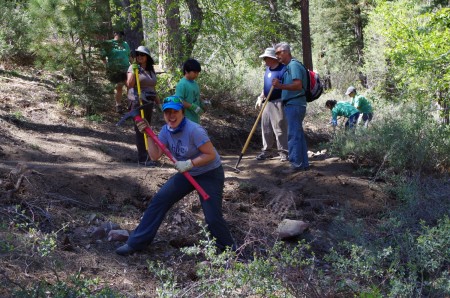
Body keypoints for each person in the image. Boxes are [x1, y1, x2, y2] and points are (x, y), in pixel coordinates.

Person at [115, 95, 236, 256]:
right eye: (167, 113)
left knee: (212, 217)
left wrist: (189, 163)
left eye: (175, 112)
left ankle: (230, 250)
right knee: (159, 201)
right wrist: (148, 134)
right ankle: (136, 243)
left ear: (182, 112)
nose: (171, 116)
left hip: (209, 173)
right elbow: (154, 156)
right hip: (187, 173)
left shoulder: (194, 130)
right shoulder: (166, 131)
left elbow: (210, 155)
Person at [271, 42, 310, 173]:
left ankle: (295, 164)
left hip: (295, 104)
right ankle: (303, 164)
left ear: (286, 52)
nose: (277, 56)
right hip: (294, 104)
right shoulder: (290, 67)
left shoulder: (293, 65)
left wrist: (280, 86)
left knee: (293, 135)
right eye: (275, 54)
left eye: (278, 53)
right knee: (297, 134)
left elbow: (298, 85)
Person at [126, 45, 161, 166]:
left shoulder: (151, 70)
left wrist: (159, 102)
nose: (140, 57)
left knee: (148, 128)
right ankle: (143, 158)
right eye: (138, 55)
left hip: (149, 101)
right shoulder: (133, 68)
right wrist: (134, 71)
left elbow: (153, 87)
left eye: (142, 55)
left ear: (147, 57)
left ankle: (150, 155)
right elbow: (129, 85)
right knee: (141, 128)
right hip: (136, 101)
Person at [254, 47, 288, 162]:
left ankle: (284, 152)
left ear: (273, 58)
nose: (264, 60)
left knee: (279, 128)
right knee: (266, 127)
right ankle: (266, 151)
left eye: (266, 58)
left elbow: (287, 85)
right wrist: (260, 97)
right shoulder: (268, 69)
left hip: (278, 101)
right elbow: (266, 86)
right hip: (267, 102)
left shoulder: (283, 69)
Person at [100, 31, 131, 113]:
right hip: (115, 69)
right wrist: (107, 66)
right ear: (115, 34)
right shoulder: (109, 43)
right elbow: (102, 56)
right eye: (119, 35)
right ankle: (118, 105)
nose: (120, 36)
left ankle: (130, 105)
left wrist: (133, 65)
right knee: (119, 87)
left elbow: (129, 56)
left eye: (121, 35)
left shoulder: (125, 44)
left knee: (129, 86)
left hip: (126, 69)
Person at [175, 59, 205, 123]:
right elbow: (178, 101)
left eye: (197, 73)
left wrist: (202, 104)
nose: (196, 75)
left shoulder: (195, 84)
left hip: (195, 118)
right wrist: (192, 107)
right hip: (185, 119)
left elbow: (196, 96)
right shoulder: (182, 84)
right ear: (186, 71)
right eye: (194, 72)